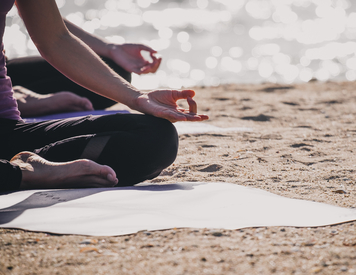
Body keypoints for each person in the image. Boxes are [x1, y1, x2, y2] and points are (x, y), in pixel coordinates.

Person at [0, 0, 208, 193]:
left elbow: (55, 38)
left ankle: (21, 168)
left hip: (6, 129)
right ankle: (21, 174)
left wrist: (137, 98)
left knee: (158, 137)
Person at [8, 18, 162, 116]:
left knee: (116, 71)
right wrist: (26, 101)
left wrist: (111, 48)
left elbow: (54, 34)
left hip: (5, 69)